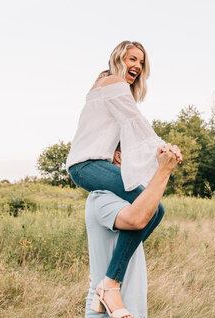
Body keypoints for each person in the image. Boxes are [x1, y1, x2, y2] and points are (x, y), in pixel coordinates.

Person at [66, 41, 183, 317]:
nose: (137, 66)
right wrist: (164, 149)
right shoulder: (112, 82)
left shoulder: (107, 87)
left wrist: (119, 152)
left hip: (98, 163)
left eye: (141, 62)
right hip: (86, 165)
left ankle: (108, 279)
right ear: (118, 58)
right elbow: (137, 123)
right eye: (132, 59)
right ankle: (110, 283)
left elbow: (116, 130)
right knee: (153, 208)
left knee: (155, 210)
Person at [85, 145, 179, 318]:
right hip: (110, 313)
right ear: (119, 157)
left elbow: (151, 211)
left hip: (129, 309)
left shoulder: (123, 200)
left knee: (158, 209)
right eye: (138, 156)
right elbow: (138, 219)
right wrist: (164, 170)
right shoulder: (101, 196)